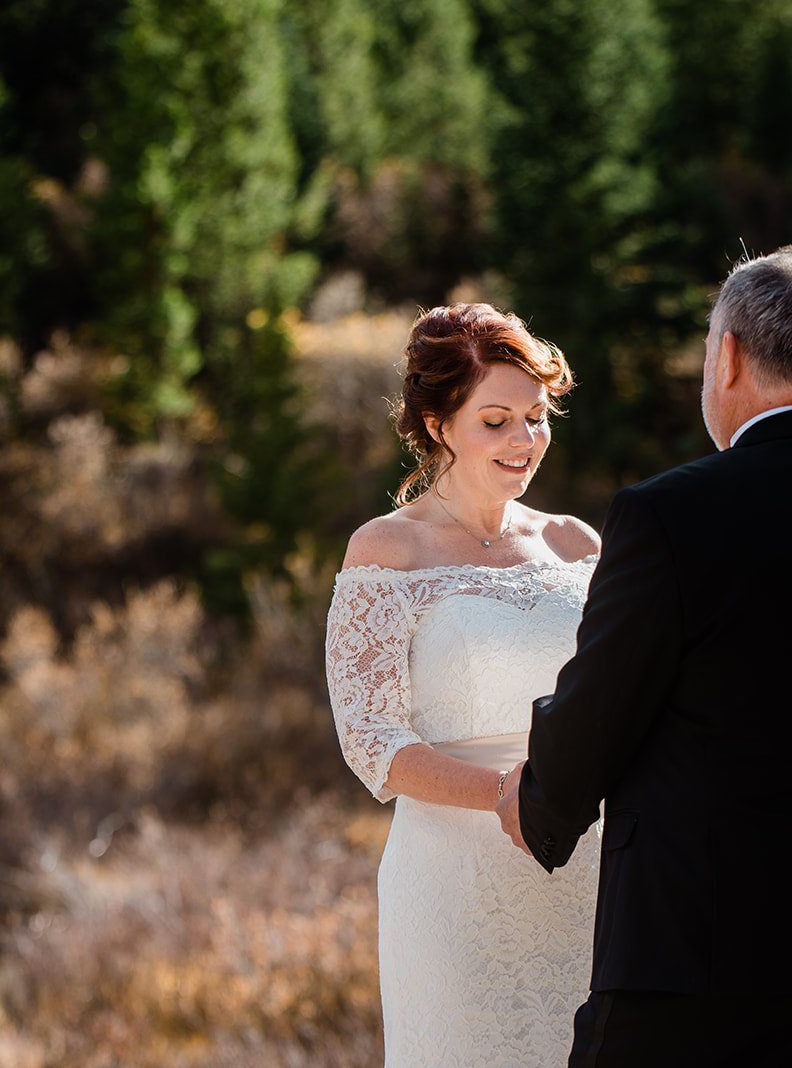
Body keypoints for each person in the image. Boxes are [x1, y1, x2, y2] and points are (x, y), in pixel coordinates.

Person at [496, 245, 792, 1067]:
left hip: (710, 952)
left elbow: (601, 710)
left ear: (728, 357)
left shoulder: (669, 519)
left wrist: (538, 799)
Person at [325, 303, 603, 1065]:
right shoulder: (387, 551)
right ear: (439, 425)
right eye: (496, 420)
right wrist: (507, 795)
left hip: (590, 873)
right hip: (455, 886)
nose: (524, 440)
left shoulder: (577, 544)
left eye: (537, 416)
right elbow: (372, 741)